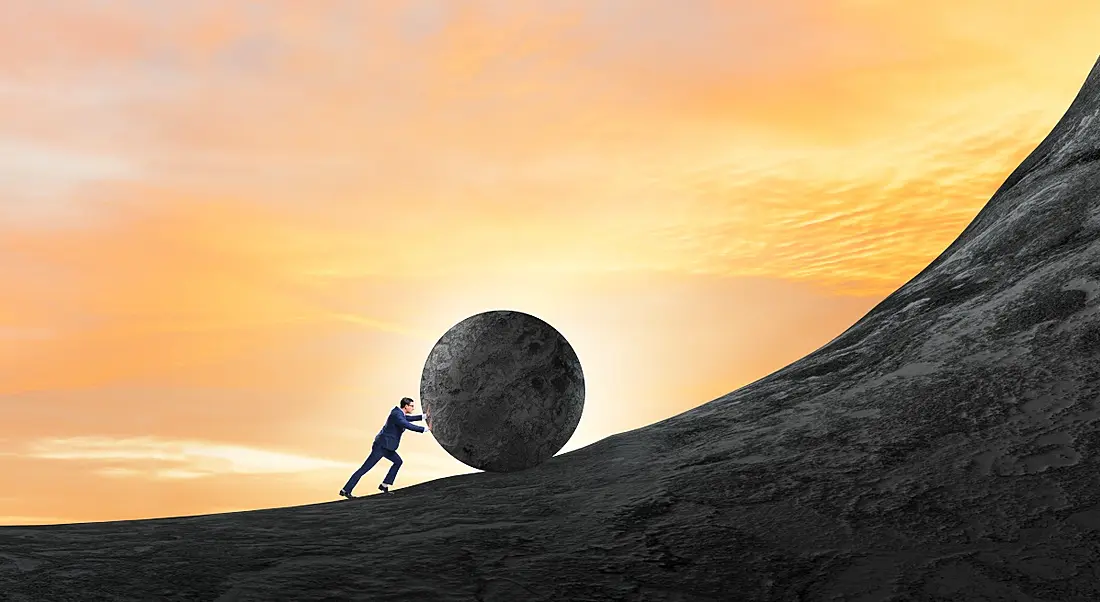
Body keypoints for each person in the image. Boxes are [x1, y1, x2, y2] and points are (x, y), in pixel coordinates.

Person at [339, 397, 428, 498]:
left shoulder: (399, 413)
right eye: (411, 406)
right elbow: (406, 424)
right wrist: (425, 429)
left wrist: (424, 416)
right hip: (381, 447)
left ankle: (384, 485)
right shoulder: (397, 415)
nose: (413, 408)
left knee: (398, 462)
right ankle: (345, 490)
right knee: (364, 469)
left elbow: (409, 419)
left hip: (387, 447)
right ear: (406, 406)